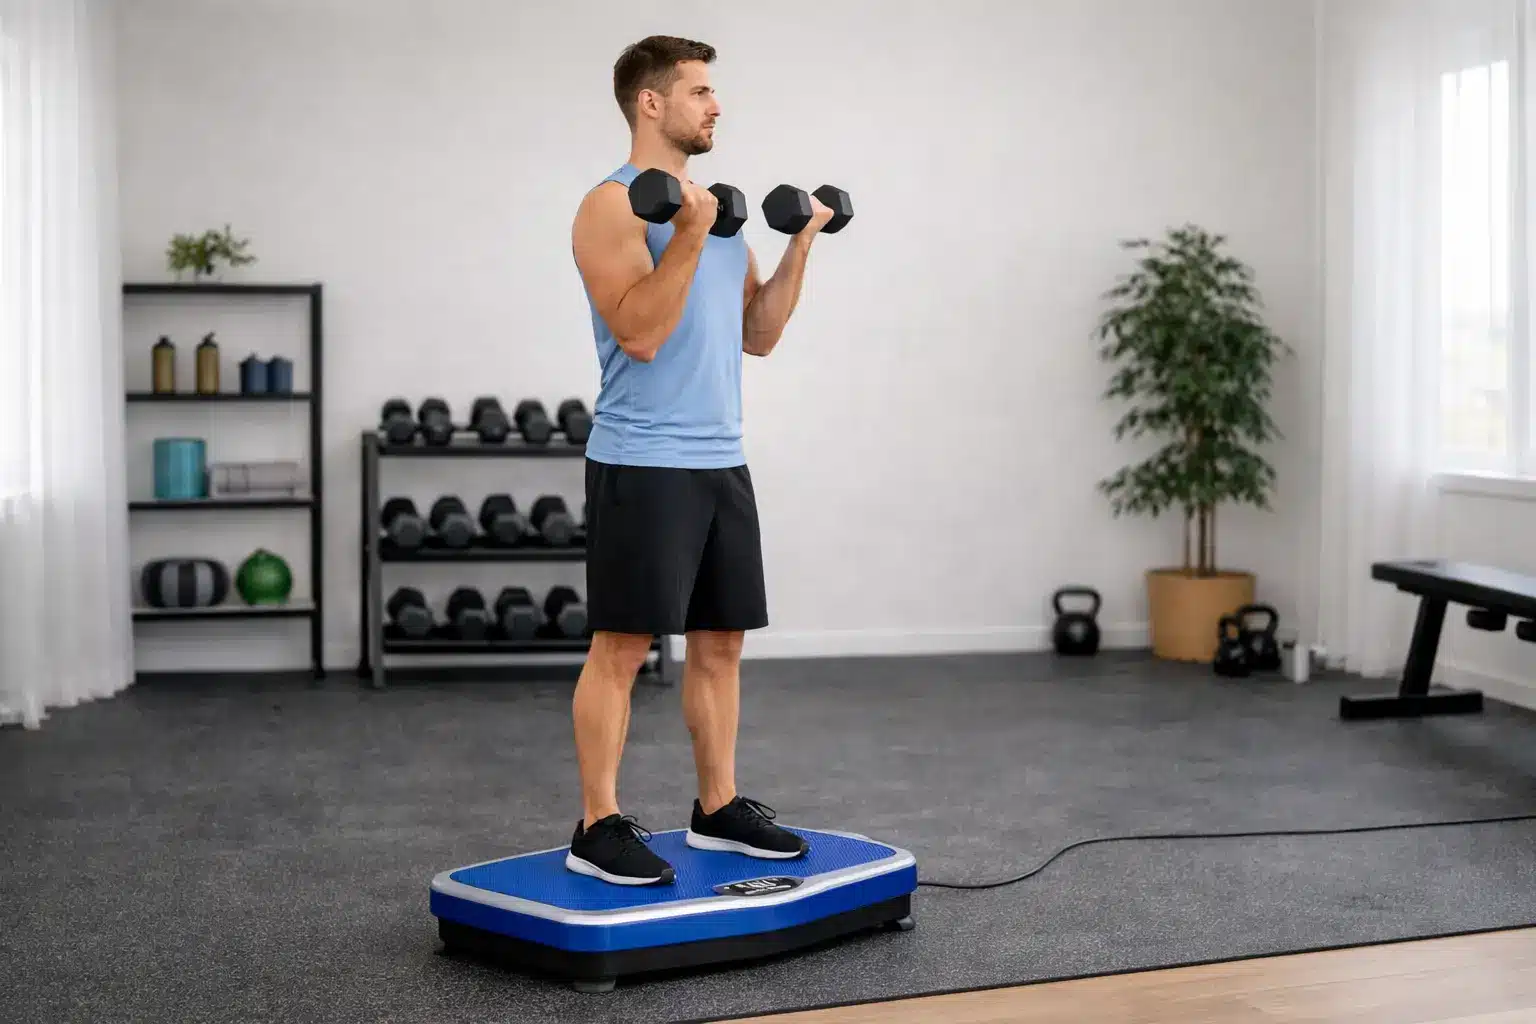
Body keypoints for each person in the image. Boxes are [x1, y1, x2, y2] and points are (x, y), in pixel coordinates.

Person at [565, 35, 835, 885]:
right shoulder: (611, 208)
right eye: (700, 93)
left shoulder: (719, 220)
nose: (716, 107)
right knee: (623, 644)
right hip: (641, 461)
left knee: (722, 643)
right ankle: (595, 824)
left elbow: (757, 335)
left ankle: (717, 808)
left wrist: (800, 246)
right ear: (652, 103)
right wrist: (686, 233)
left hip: (721, 461)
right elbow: (640, 334)